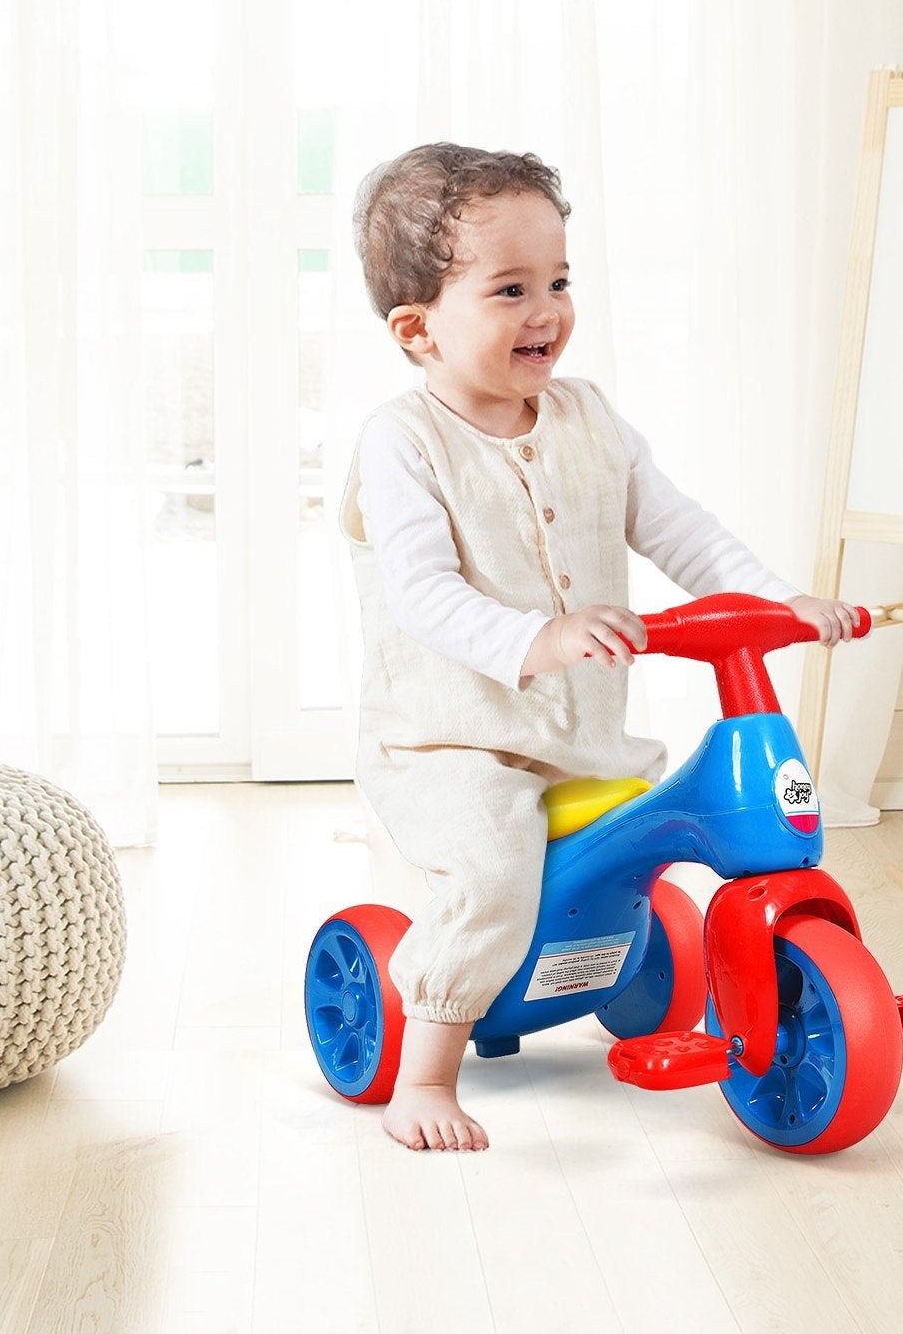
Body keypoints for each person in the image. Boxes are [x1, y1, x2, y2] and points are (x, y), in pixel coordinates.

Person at [340, 142, 867, 1152]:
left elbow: (681, 530)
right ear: (415, 330)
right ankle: (427, 1072)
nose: (546, 309)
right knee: (493, 871)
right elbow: (420, 594)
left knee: (655, 828)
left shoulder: (589, 418)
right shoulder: (403, 441)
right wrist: (535, 636)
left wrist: (777, 599)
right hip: (453, 745)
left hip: (580, 736)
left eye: (559, 281)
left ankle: (661, 968)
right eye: (509, 289)